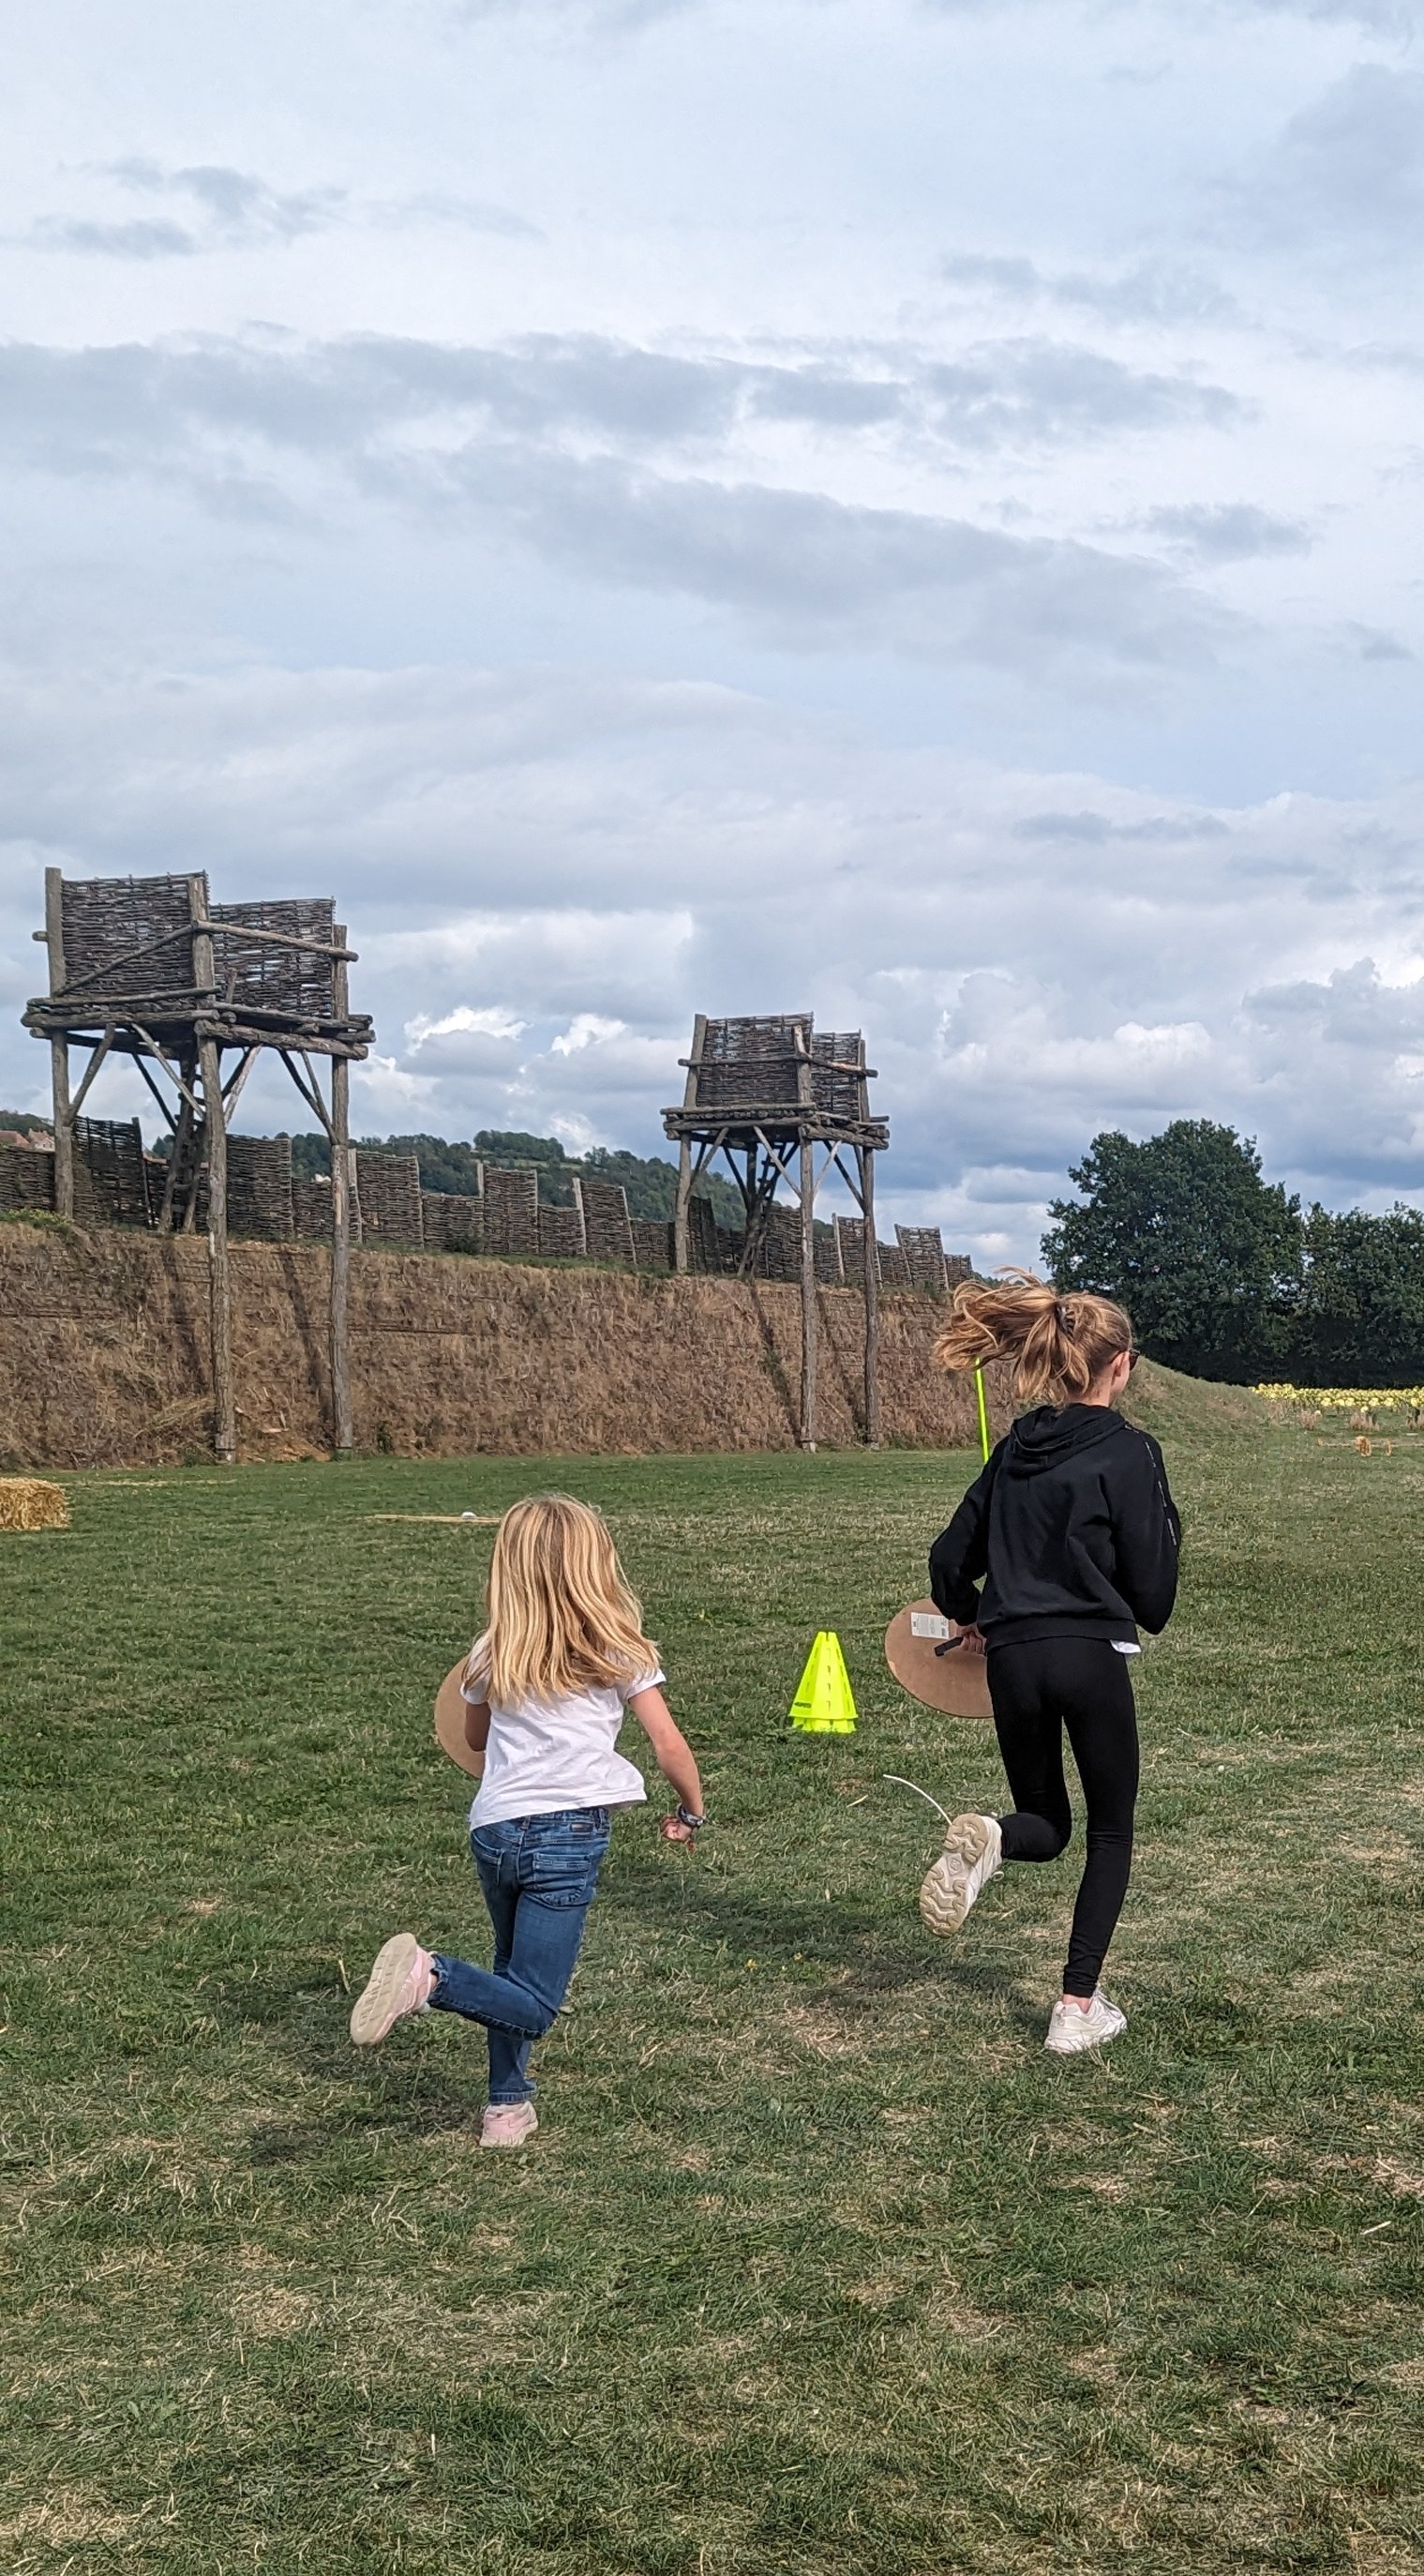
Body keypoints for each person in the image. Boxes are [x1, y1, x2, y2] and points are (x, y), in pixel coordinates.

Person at [350, 1493, 707, 2146]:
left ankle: (505, 2108)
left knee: (511, 1971)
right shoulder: (617, 1646)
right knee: (537, 2004)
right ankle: (429, 1977)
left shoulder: (490, 1652)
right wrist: (692, 1809)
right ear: (593, 1564)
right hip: (567, 1835)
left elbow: (475, 1738)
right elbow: (668, 1743)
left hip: (495, 1829)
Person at [924, 1272, 1179, 2056]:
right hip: (1088, 1655)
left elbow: (946, 1559)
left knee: (1045, 1822)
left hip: (1012, 1662)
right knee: (1109, 1833)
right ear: (1120, 1364)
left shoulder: (1013, 1448)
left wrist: (971, 1618)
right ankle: (1075, 2006)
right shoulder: (1130, 1450)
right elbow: (1154, 1597)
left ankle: (990, 1841)